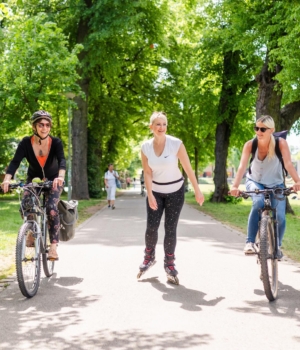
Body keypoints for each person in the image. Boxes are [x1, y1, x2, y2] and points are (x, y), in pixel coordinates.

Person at [138, 111, 205, 283]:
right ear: (151, 126)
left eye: (164, 124)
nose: (161, 127)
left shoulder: (176, 144)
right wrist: (150, 194)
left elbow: (188, 168)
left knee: (170, 228)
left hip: (175, 191)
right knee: (151, 227)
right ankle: (149, 256)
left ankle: (169, 263)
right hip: (156, 192)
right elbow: (147, 172)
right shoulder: (145, 147)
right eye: (158, 124)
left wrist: (197, 190)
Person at [230, 115, 300, 257]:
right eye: (256, 128)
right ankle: (249, 242)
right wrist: (235, 186)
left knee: (280, 216)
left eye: (263, 129)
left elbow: (288, 164)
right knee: (258, 202)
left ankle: (277, 247)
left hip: (276, 183)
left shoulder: (281, 144)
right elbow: (242, 167)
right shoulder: (250, 144)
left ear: (271, 130)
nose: (258, 132)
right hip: (255, 181)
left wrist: (297, 181)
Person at [1, 110, 66, 260]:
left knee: (51, 208)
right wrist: (7, 179)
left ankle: (54, 248)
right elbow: (15, 162)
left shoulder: (55, 142)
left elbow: (62, 160)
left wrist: (60, 177)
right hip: (34, 179)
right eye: (41, 124)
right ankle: (31, 230)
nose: (44, 128)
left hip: (54, 179)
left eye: (47, 125)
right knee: (26, 204)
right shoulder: (25, 142)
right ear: (34, 127)